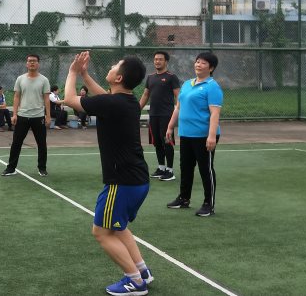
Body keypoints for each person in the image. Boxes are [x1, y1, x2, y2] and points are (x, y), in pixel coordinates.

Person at [62, 51, 153, 296]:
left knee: (102, 232)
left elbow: (69, 99)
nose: (112, 66)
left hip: (122, 182)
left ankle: (135, 282)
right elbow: (104, 97)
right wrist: (85, 74)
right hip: (137, 180)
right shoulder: (127, 101)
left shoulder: (113, 103)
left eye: (116, 65)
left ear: (119, 77)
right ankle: (142, 271)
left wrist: (72, 72)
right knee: (119, 227)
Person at [165, 52, 223, 217]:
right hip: (186, 134)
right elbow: (178, 107)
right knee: (186, 167)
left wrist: (211, 136)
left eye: (203, 63)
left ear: (211, 68)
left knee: (206, 169)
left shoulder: (212, 87)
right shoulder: (186, 84)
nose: (198, 64)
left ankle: (208, 204)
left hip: (203, 135)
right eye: (197, 61)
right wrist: (170, 127)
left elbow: (215, 113)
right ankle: (184, 198)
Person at [1, 54, 51, 177]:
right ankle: (10, 168)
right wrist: (14, 114)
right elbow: (16, 97)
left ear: (38, 63)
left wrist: (48, 116)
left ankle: (42, 168)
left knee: (42, 144)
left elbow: (46, 99)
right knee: (16, 143)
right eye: (30, 61)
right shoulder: (20, 79)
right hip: (22, 116)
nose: (32, 63)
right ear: (26, 63)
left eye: (34, 61)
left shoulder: (44, 80)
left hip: (38, 116)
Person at [139, 51, 181, 181]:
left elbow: (178, 96)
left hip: (167, 115)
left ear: (166, 61)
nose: (157, 61)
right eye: (155, 59)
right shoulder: (150, 77)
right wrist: (137, 109)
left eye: (160, 59)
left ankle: (170, 171)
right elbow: (146, 95)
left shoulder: (171, 77)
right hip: (153, 115)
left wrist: (179, 111)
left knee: (167, 142)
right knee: (157, 142)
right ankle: (161, 168)